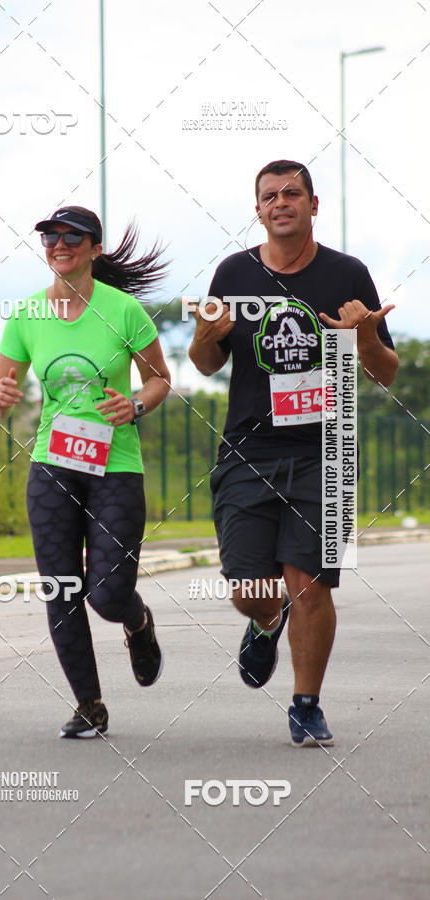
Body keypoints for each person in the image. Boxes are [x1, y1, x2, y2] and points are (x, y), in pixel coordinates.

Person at [189, 160, 398, 746]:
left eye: (292, 193)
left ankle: (306, 703)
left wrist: (361, 339)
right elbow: (207, 364)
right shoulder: (233, 272)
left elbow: (384, 373)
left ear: (313, 204)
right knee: (249, 590)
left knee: (311, 583)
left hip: (324, 453)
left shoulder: (347, 274)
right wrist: (205, 338)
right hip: (247, 452)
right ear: (257, 209)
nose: (280, 202)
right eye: (269, 196)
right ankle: (266, 621)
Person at [0, 205, 171, 738]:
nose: (59, 244)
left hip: (116, 465)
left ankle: (137, 622)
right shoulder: (25, 315)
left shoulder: (125, 311)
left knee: (107, 594)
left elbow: (159, 380)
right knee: (61, 587)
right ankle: (89, 705)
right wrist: (0, 395)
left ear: (94, 247)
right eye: (50, 236)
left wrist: (135, 405)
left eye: (73, 236)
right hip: (53, 465)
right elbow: (5, 388)